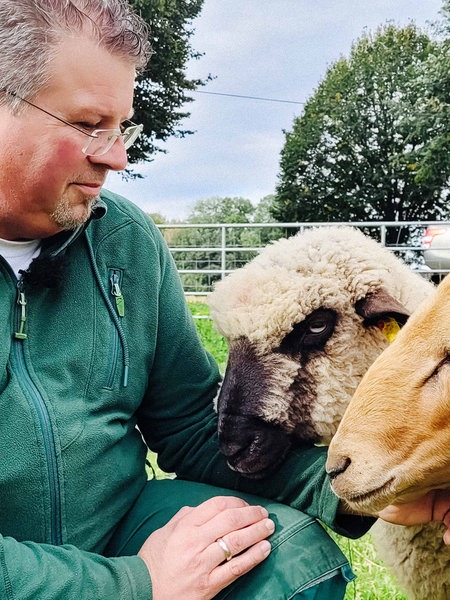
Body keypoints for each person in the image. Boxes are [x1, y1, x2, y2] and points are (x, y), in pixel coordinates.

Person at [1, 1, 449, 599]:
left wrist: (372, 489)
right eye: (88, 125)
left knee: (288, 564)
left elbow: (188, 423)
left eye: (122, 127)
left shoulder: (124, 240)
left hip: (114, 523)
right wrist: (136, 584)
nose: (116, 155)